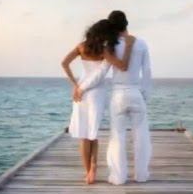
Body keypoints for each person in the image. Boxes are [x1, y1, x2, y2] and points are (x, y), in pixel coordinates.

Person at [75, 11, 152, 185]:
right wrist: (145, 96)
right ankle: (141, 175)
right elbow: (147, 72)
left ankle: (118, 177)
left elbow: (101, 72)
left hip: (118, 96)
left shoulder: (111, 45)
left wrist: (81, 88)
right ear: (126, 23)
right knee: (141, 135)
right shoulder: (141, 43)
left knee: (117, 136)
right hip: (136, 93)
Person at [61, 19, 136, 184]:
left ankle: (88, 172)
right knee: (92, 132)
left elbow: (64, 63)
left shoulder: (81, 47)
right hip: (96, 93)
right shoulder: (105, 51)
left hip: (81, 92)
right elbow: (122, 66)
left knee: (84, 135)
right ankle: (94, 165)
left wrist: (75, 85)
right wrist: (129, 46)